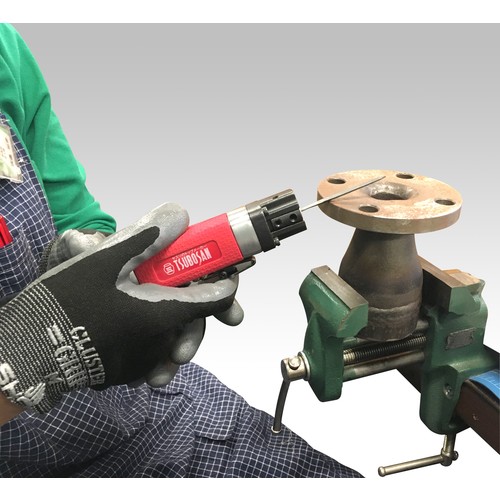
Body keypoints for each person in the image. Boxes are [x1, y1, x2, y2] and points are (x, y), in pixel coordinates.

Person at [0, 23, 362, 478]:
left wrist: (93, 262)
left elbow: (77, 218)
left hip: (142, 411)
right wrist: (25, 357)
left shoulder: (3, 46)